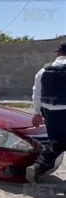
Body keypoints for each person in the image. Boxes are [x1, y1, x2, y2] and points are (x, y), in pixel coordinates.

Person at [26, 41, 66, 184]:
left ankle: (37, 167)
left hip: (50, 114)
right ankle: (37, 168)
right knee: (58, 144)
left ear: (57, 52)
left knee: (56, 143)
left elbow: (36, 94)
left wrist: (37, 113)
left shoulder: (43, 71)